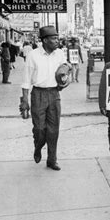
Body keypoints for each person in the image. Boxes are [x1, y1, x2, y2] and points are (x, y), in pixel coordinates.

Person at [20, 26, 72, 171]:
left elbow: (65, 68)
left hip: (54, 94)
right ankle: (38, 147)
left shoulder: (60, 53)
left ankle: (52, 160)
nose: (57, 41)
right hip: (38, 94)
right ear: (44, 40)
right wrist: (25, 100)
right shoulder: (33, 55)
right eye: (54, 38)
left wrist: (66, 72)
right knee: (39, 129)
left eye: (57, 38)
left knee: (53, 129)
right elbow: (26, 80)